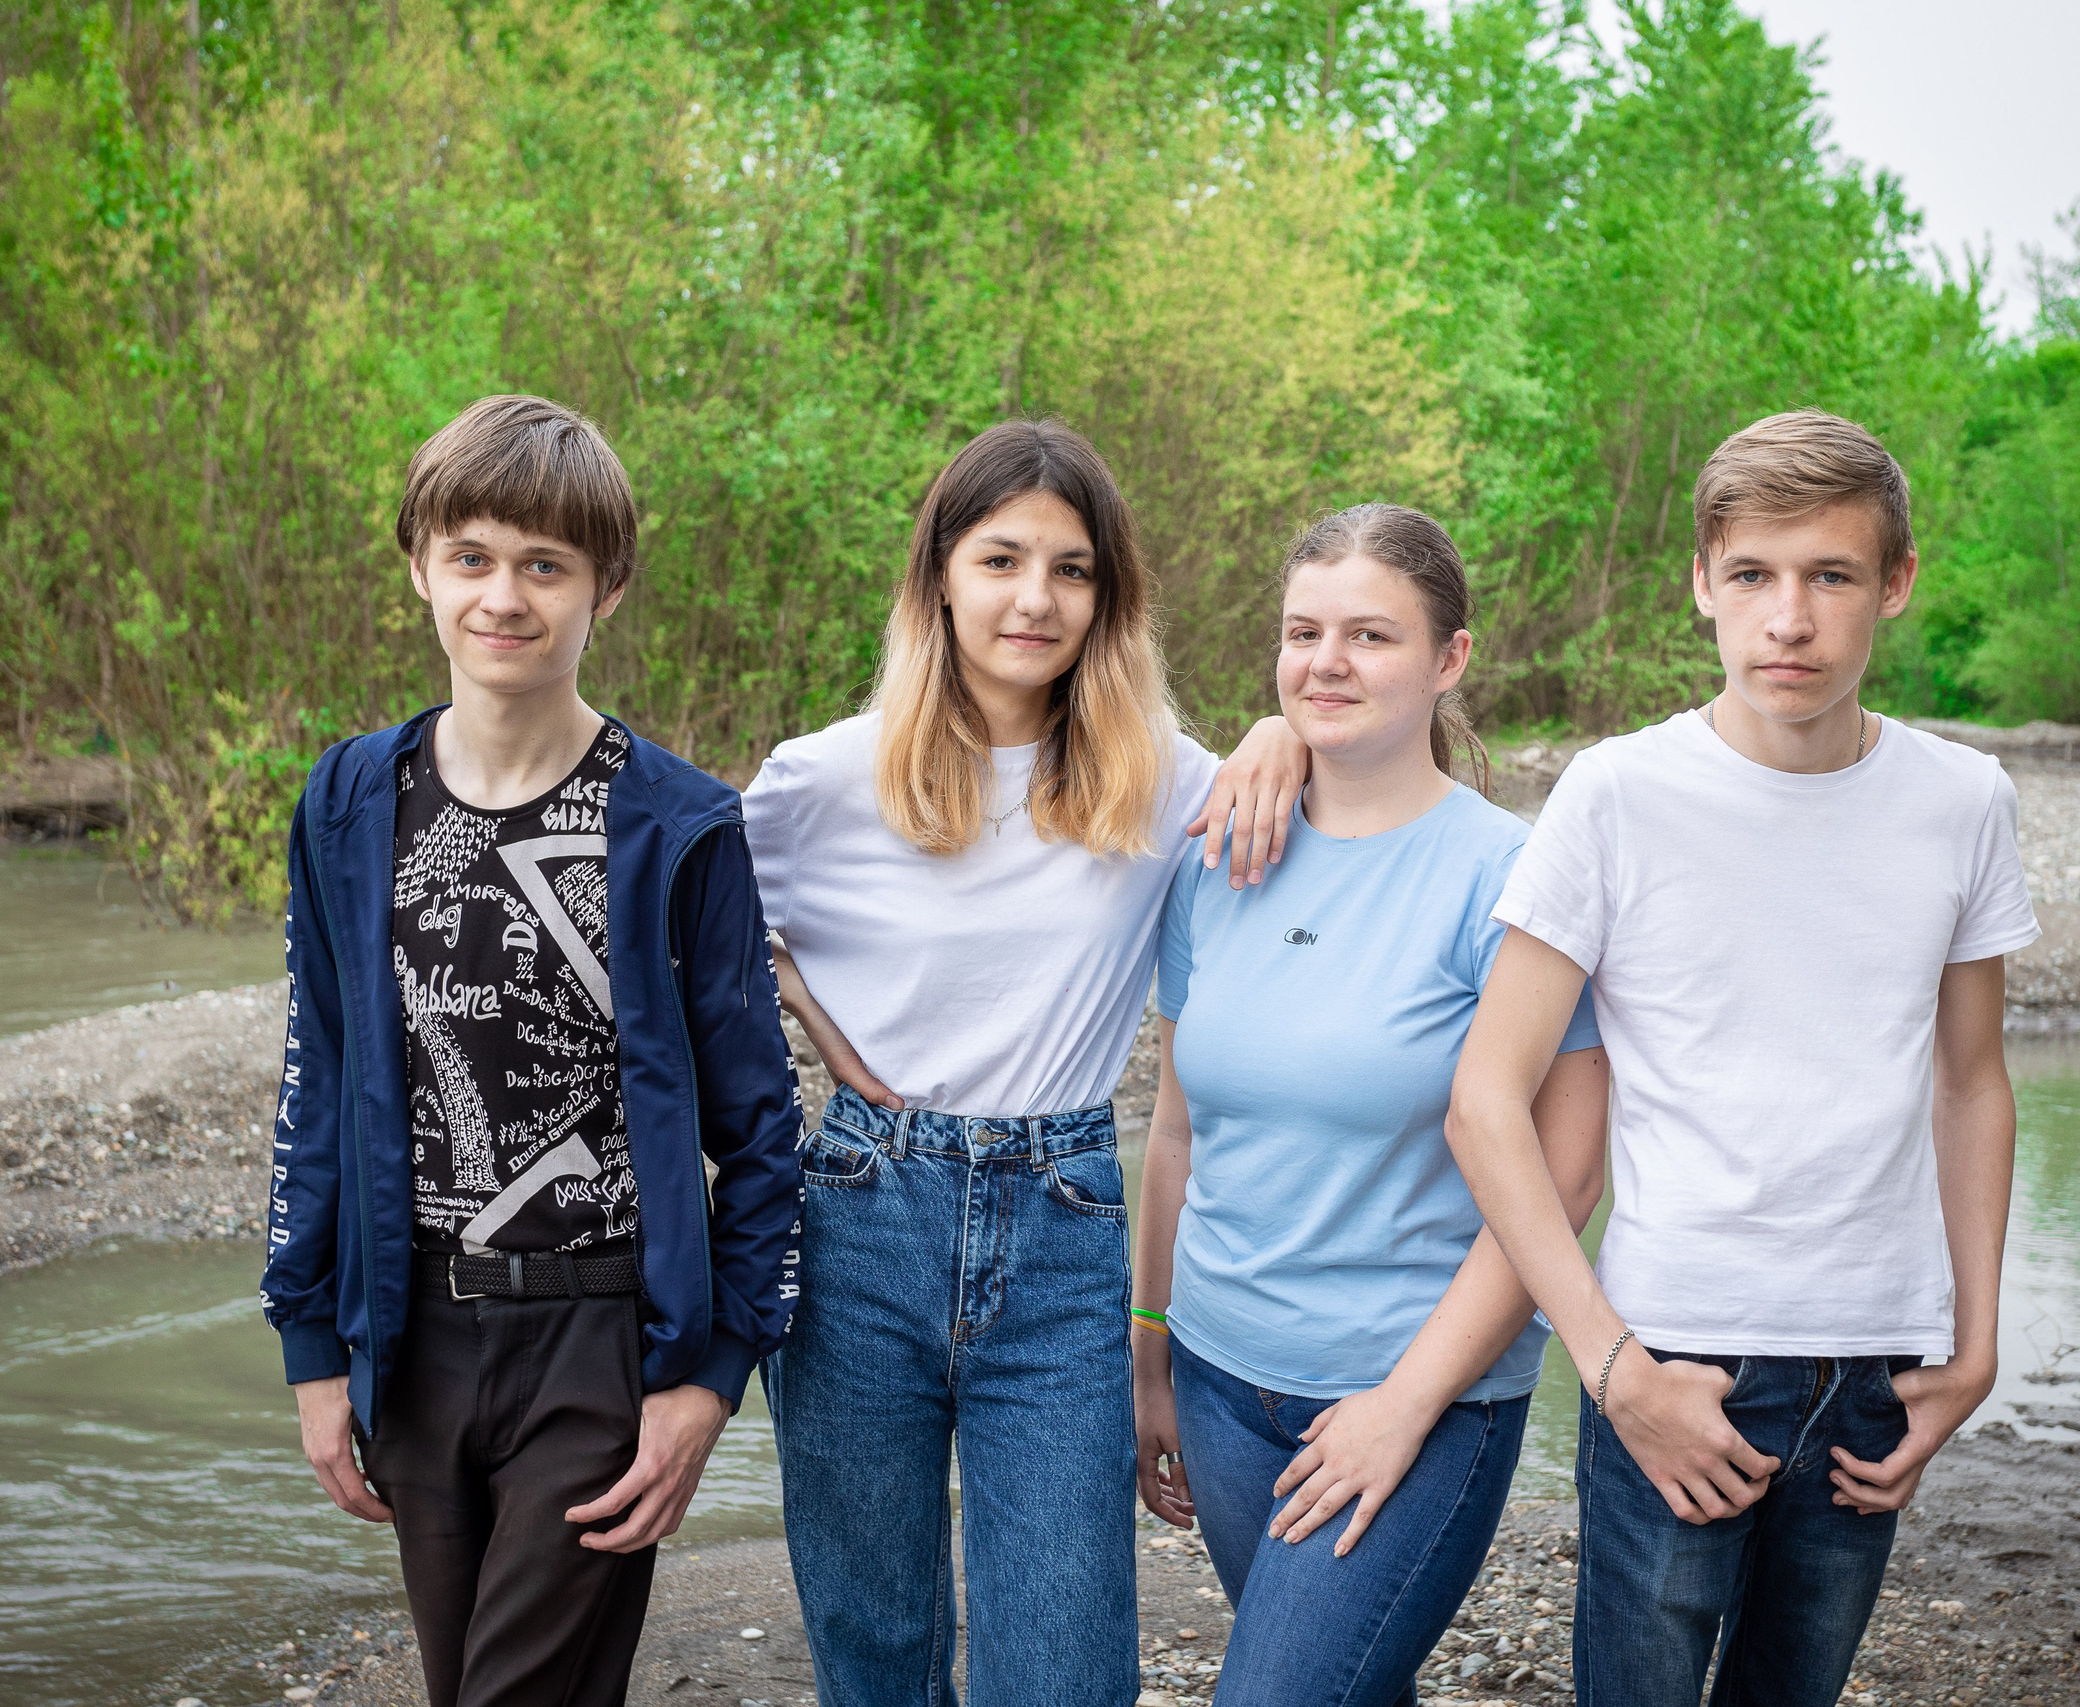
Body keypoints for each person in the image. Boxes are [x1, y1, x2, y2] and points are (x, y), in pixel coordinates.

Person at [1446, 409, 2038, 1706]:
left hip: (1879, 1363)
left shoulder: (1963, 800)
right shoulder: (1616, 793)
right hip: (1675, 1353)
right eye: (1755, 574)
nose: (1790, 619)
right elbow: (1485, 1100)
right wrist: (1610, 1365)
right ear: (1702, 583)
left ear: (1895, 583)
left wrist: (1977, 1340)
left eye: (1832, 575)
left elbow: (1970, 1082)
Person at [743, 417, 1309, 1707]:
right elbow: (677, 937)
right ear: (939, 576)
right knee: (875, 1643)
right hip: (856, 1221)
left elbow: (1338, 827)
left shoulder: (1164, 783)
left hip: (1062, 1230)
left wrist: (1281, 732)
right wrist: (804, 1006)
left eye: (1071, 569)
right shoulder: (820, 779)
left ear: (1108, 599)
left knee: (1062, 1661)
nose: (1034, 599)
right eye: (1000, 560)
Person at [258, 395, 804, 1707]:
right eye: (472, 557)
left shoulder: (679, 825)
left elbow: (761, 1131)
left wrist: (708, 1379)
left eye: (545, 565)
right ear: (420, 567)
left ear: (605, 587)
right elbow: (317, 1085)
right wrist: (312, 1347)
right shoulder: (348, 800)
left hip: (597, 1339)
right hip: (409, 1330)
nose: (503, 596)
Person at [1129, 504, 1610, 1707]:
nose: (1326, 663)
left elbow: (1565, 1179)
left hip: (1421, 1397)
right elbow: (1177, 1135)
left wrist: (1405, 1404)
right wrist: (1150, 1356)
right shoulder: (1215, 855)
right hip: (1220, 1382)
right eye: (1303, 633)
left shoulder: (1514, 875)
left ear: (1450, 658)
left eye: (1370, 635)